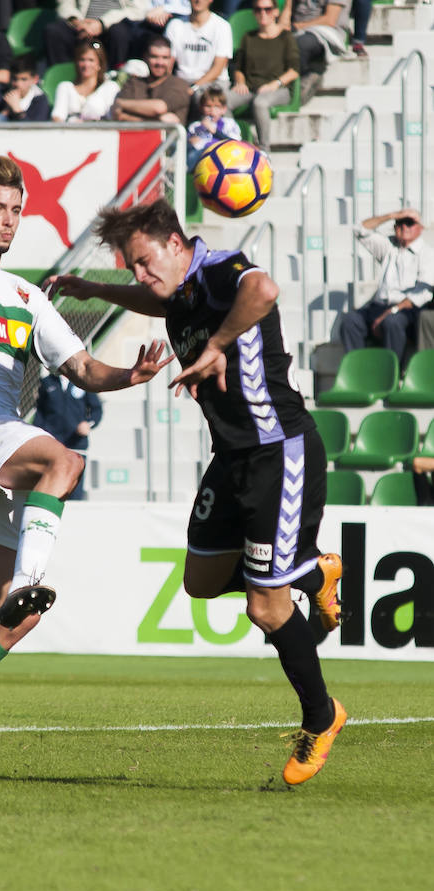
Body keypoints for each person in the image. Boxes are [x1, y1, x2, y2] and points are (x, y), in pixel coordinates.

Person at [0, 155, 173, 774]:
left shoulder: (27, 295)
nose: (10, 221)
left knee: (16, 617)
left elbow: (86, 371)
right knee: (64, 460)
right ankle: (28, 579)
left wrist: (134, 374)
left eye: (17, 210)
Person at [49, 198, 347, 786]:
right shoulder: (176, 290)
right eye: (129, 266)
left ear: (174, 243)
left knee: (265, 605)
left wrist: (216, 345)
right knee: (201, 581)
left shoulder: (218, 270)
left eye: (141, 261)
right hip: (231, 458)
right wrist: (93, 287)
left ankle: (322, 716)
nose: (137, 274)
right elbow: (155, 300)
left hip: (276, 451)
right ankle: (313, 572)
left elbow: (263, 290)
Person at [340, 209, 434, 367]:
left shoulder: (427, 254)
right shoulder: (389, 247)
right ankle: (358, 372)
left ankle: (391, 375)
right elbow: (360, 229)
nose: (404, 226)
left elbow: (423, 294)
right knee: (350, 321)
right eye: (399, 222)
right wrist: (392, 215)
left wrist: (393, 310)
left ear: (420, 227)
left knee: (392, 322)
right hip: (378, 306)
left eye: (409, 222)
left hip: (405, 309)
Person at [226, 0, 300, 154]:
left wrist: (274, 84)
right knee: (222, 101)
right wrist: (240, 82)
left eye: (267, 9)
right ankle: (237, 141)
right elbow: (239, 68)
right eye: (258, 9)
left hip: (279, 89)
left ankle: (265, 151)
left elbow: (294, 71)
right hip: (251, 88)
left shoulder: (286, 37)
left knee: (260, 103)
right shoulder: (249, 38)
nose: (263, 13)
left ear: (275, 12)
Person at [33, 373, 103, 500]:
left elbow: (96, 409)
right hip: (53, 443)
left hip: (76, 444)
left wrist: (88, 424)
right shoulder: (47, 382)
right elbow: (40, 413)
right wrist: (39, 434)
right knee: (51, 487)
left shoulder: (83, 382)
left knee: (74, 487)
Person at [44, 0, 152, 71]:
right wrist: (77, 21)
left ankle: (115, 76)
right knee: (54, 31)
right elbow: (65, 4)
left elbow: (137, 10)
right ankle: (61, 77)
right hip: (82, 24)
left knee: (119, 33)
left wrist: (102, 23)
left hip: (114, 23)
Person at [279, 0, 352, 105]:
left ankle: (304, 80)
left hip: (326, 32)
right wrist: (288, 5)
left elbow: (329, 20)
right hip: (298, 31)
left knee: (300, 44)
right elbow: (283, 24)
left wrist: (295, 27)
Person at [112, 34, 190, 125]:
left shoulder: (179, 85)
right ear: (145, 57)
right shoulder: (133, 83)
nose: (159, 63)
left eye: (165, 58)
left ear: (171, 60)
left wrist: (121, 103)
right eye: (154, 57)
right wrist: (158, 121)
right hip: (133, 137)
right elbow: (118, 115)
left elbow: (159, 108)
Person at [164, 0, 233, 94]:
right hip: (182, 81)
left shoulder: (222, 26)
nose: (198, 0)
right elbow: (167, 63)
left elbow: (218, 69)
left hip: (213, 83)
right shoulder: (175, 25)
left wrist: (193, 88)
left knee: (199, 97)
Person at [51, 39, 120, 122]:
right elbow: (57, 116)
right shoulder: (65, 87)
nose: (86, 65)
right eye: (82, 60)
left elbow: (113, 118)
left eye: (91, 60)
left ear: (100, 64)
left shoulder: (110, 87)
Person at [186, 86, 241, 170]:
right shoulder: (196, 126)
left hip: (220, 156)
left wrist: (215, 132)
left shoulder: (228, 123)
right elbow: (187, 140)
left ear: (223, 109)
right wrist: (191, 140)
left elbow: (235, 143)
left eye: (216, 107)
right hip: (197, 155)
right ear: (201, 108)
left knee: (194, 154)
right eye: (208, 106)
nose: (212, 110)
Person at [0, 53, 50, 122]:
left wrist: (18, 111)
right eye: (14, 79)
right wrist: (6, 111)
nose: (18, 84)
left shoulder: (40, 99)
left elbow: (36, 130)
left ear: (35, 79)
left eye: (24, 79)